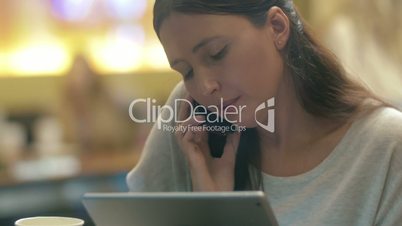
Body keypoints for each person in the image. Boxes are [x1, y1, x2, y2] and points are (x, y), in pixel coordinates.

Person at [127, 0, 402, 225]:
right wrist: (210, 205)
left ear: (277, 27)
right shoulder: (190, 121)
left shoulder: (387, 146)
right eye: (186, 71)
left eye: (217, 53)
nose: (205, 86)